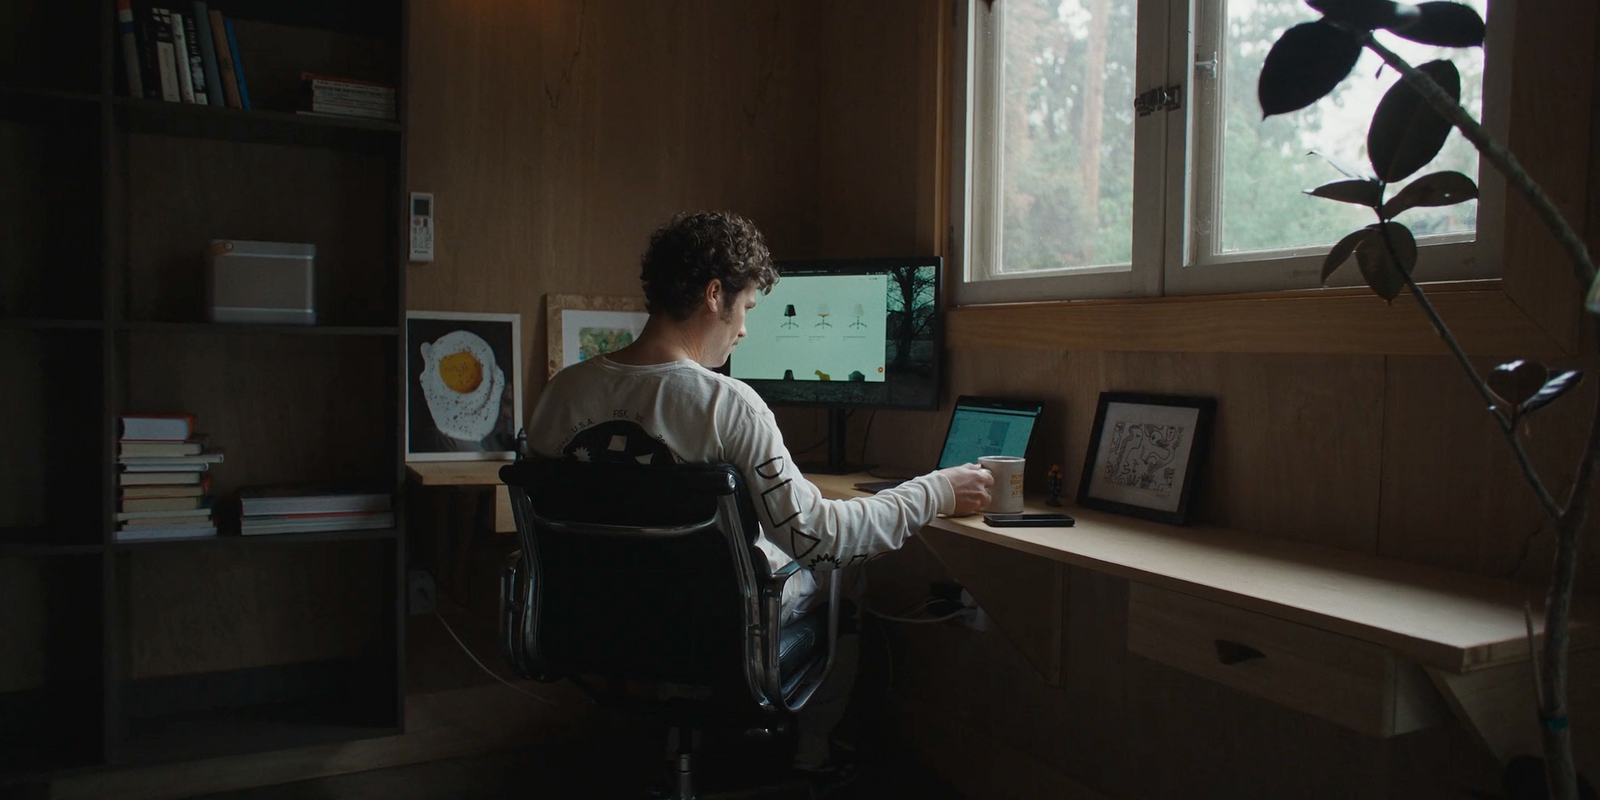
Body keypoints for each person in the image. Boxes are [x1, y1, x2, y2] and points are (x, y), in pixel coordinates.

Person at [525, 210, 994, 774]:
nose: (745, 329)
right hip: (709, 630)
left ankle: (689, 733)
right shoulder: (728, 405)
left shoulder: (562, 393)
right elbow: (822, 543)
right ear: (714, 294)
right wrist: (937, 490)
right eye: (745, 308)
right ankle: (810, 755)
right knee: (845, 575)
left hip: (597, 624)